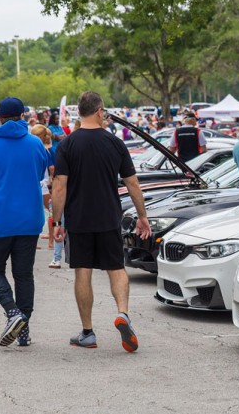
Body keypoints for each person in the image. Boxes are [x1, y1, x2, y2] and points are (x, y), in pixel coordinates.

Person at [52, 91, 151, 352]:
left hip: (79, 219)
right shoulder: (115, 143)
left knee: (82, 271)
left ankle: (88, 332)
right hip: (108, 217)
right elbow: (132, 183)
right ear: (99, 111)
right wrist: (142, 216)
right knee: (116, 268)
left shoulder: (67, 145)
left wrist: (56, 221)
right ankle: (123, 313)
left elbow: (59, 186)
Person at [0, 97, 49, 347]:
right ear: (23, 116)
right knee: (24, 274)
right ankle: (24, 327)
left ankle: (13, 312)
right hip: (29, 219)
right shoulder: (36, 143)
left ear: (0, 117)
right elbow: (40, 174)